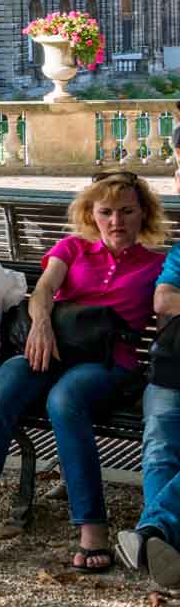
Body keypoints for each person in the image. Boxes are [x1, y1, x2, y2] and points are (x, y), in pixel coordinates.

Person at [0, 171, 166, 569]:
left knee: (65, 400)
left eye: (126, 211)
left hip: (109, 362)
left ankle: (93, 529)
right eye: (105, 212)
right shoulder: (72, 248)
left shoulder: (156, 264)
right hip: (48, 348)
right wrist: (40, 325)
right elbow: (42, 291)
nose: (116, 221)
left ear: (144, 214)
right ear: (92, 214)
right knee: (1, 399)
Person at [123, 225, 180, 587]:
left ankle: (151, 533)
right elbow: (164, 300)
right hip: (174, 368)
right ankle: (161, 547)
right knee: (160, 443)